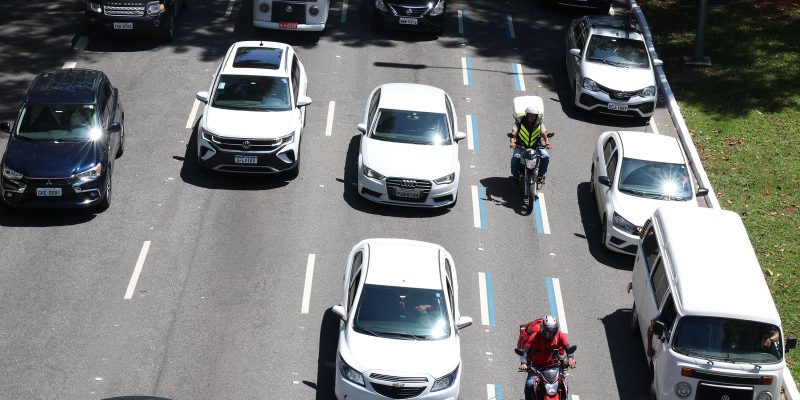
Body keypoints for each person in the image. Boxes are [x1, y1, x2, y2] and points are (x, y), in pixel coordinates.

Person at [519, 315, 575, 400]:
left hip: (554, 367)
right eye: (547, 331)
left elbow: (568, 348)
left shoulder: (559, 335)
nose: (550, 334)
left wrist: (570, 358)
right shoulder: (534, 336)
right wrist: (523, 363)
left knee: (564, 383)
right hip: (536, 368)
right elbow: (525, 351)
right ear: (542, 329)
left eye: (552, 332)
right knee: (529, 384)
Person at [510, 105, 551, 183]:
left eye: (534, 116)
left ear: (536, 116)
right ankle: (515, 175)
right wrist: (512, 142)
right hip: (521, 146)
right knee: (515, 158)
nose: (532, 117)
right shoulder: (519, 121)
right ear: (527, 115)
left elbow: (544, 133)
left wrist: (547, 142)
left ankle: (540, 175)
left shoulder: (539, 122)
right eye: (530, 115)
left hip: (536, 146)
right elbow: (514, 132)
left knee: (545, 156)